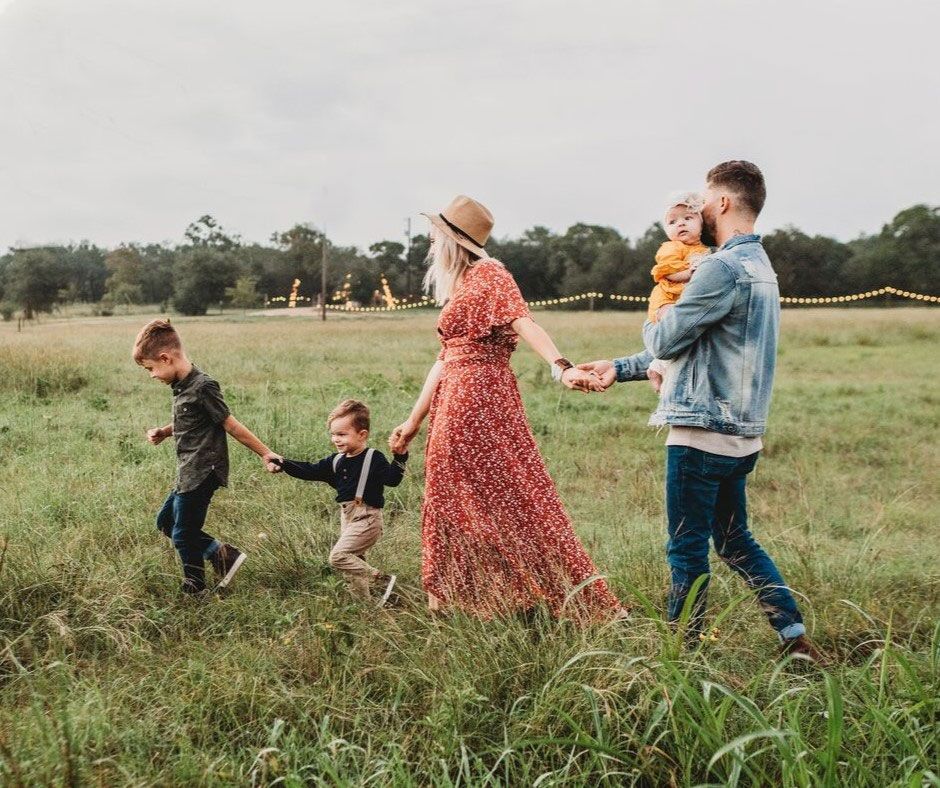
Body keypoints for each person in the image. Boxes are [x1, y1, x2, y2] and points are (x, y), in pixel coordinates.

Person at [580, 162, 825, 661]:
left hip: (700, 433)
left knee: (686, 547)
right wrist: (621, 367)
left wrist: (658, 316)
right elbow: (700, 345)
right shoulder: (761, 267)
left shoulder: (718, 267)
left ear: (725, 204)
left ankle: (680, 655)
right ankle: (793, 637)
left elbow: (668, 336)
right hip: (742, 435)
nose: (699, 208)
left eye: (706, 199)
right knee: (736, 542)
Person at [389, 194, 627, 622]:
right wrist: (412, 422)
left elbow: (523, 321)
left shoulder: (490, 273)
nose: (429, 242)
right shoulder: (461, 284)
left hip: (479, 397)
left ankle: (531, 592)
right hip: (454, 397)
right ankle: (458, 597)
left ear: (452, 240)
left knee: (512, 496)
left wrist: (561, 367)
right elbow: (443, 360)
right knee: (451, 496)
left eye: (435, 235)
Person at [134, 319, 282, 594]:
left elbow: (230, 424)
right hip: (187, 470)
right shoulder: (181, 386)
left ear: (166, 358)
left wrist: (266, 453)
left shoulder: (203, 386)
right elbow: (191, 422)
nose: (152, 375)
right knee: (166, 522)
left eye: (151, 368)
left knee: (183, 534)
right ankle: (222, 556)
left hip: (203, 470)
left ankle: (195, 588)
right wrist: (165, 432)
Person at [270, 399, 405, 606]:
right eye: (333, 434)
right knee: (353, 567)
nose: (336, 439)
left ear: (362, 435)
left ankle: (381, 580)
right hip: (348, 517)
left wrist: (400, 456)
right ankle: (364, 607)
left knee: (339, 557)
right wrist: (283, 463)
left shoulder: (373, 458)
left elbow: (393, 480)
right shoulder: (336, 461)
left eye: (342, 434)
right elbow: (309, 470)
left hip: (368, 518)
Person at [647, 192, 711, 382]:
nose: (680, 224)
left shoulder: (704, 250)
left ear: (701, 223)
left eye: (688, 218)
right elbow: (668, 272)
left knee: (687, 332)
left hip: (682, 299)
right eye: (672, 222)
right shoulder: (671, 247)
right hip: (666, 298)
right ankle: (659, 366)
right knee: (674, 324)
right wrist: (690, 274)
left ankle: (658, 366)